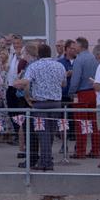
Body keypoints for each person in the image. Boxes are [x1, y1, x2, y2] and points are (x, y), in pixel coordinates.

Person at [15, 43, 65, 171]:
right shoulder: (59, 65)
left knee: (42, 133)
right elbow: (63, 83)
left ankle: (46, 162)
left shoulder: (34, 66)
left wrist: (16, 83)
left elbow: (26, 82)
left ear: (39, 53)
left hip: (40, 104)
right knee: (51, 133)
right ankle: (47, 159)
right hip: (56, 103)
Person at [68, 36, 100, 159]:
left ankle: (80, 151)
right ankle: (96, 150)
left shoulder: (79, 60)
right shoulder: (94, 58)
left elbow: (76, 79)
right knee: (95, 123)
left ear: (80, 46)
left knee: (81, 124)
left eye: (75, 45)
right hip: (94, 93)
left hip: (82, 94)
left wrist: (71, 92)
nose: (74, 47)